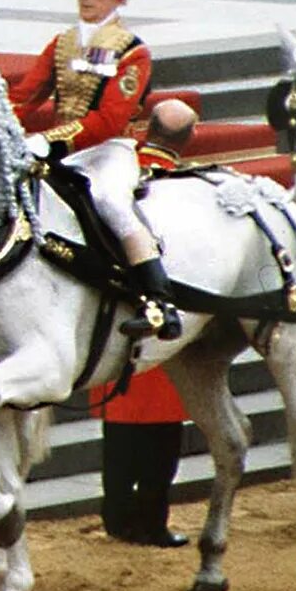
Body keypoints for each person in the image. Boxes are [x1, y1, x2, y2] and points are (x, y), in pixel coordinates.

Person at [10, 0, 174, 337]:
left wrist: (50, 141)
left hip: (108, 150)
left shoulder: (132, 52)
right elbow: (26, 95)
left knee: (110, 202)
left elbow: (109, 119)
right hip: (64, 150)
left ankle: (158, 301)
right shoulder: (63, 42)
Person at [92, 100, 197, 549]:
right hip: (162, 326)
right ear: (187, 139)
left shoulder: (114, 176)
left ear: (146, 128)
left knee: (117, 437)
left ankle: (116, 515)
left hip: (113, 321)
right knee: (159, 446)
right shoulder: (185, 190)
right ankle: (150, 521)